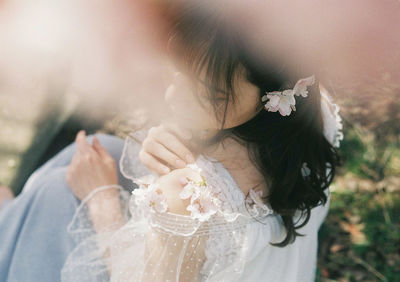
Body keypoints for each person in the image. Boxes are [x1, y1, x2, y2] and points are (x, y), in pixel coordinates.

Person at [0, 3, 343, 281]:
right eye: (175, 71)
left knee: (55, 192)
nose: (172, 97)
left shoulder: (187, 196)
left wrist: (100, 198)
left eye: (210, 95)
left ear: (272, 96)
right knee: (95, 147)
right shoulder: (313, 114)